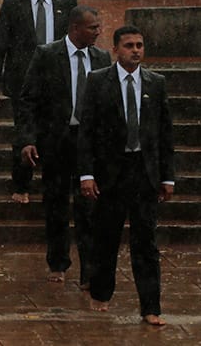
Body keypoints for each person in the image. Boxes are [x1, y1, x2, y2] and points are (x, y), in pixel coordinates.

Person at [78, 26, 175, 326]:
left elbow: (164, 133)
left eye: (140, 45)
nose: (135, 50)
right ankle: (101, 293)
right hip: (111, 172)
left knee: (146, 241)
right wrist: (86, 173)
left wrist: (167, 177)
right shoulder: (98, 81)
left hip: (144, 172)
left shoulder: (155, 84)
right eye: (129, 45)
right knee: (106, 237)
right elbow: (87, 132)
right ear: (116, 48)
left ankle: (151, 306)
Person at [17, 6, 110, 288]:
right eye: (92, 27)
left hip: (89, 143)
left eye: (98, 27)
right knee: (56, 204)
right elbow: (28, 99)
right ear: (74, 28)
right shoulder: (47, 55)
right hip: (56, 140)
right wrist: (28, 138)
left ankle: (88, 270)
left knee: (89, 207)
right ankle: (57, 262)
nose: (97, 32)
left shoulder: (101, 57)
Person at [0, 0, 78, 203]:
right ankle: (21, 185)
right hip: (22, 81)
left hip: (58, 82)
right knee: (24, 132)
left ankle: (53, 186)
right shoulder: (13, 4)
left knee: (56, 133)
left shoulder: (67, 4)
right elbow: (0, 44)